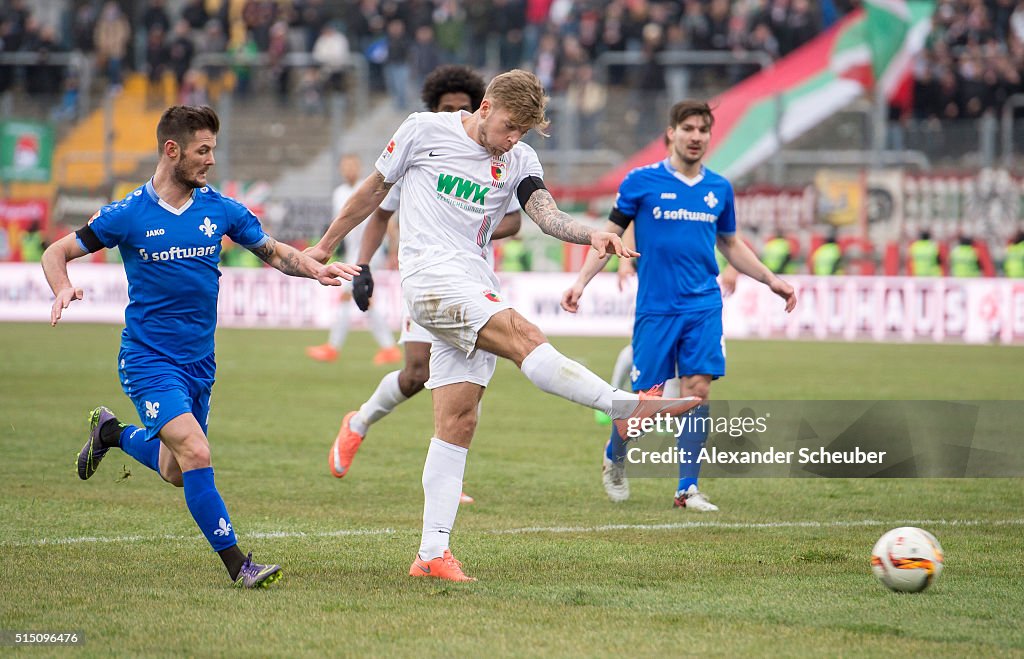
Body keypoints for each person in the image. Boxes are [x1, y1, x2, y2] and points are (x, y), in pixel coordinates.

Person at [307, 70, 701, 582]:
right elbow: (373, 191)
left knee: (458, 421)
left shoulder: (518, 158)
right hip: (429, 281)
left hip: (475, 282)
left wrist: (591, 234)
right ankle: (621, 406)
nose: (513, 139)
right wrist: (326, 244)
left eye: (524, 132)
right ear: (486, 107)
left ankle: (431, 554)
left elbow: (545, 214)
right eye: (510, 126)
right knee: (524, 337)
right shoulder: (423, 130)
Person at [41, 105, 358, 589]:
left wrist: (314, 268)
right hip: (148, 360)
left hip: (199, 364)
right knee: (195, 452)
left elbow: (273, 252)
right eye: (203, 150)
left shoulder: (220, 208)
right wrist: (62, 286)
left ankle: (111, 433)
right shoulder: (128, 214)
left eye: (213, 149)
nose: (211, 160)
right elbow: (55, 251)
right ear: (173, 150)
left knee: (173, 469)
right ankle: (240, 566)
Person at [562, 100, 797, 511]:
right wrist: (581, 282)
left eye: (703, 130)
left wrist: (771, 280)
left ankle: (687, 489)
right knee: (646, 404)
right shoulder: (640, 182)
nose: (696, 137)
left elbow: (730, 243)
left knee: (697, 392)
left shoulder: (719, 188)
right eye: (687, 128)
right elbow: (609, 237)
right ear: (670, 132)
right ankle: (614, 458)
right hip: (656, 308)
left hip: (703, 305)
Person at [326, 67, 522, 510]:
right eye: (447, 108)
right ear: (436, 111)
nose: (455, 113)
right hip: (427, 280)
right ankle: (358, 422)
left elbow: (514, 218)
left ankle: (448, 477)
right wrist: (362, 265)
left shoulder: (498, 159)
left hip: (471, 283)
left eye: (462, 107)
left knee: (464, 383)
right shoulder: (422, 147)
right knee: (417, 373)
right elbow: (379, 209)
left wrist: (475, 223)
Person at [306, 153, 401, 364]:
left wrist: (393, 250)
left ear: (358, 168)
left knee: (352, 297)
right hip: (351, 253)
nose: (349, 170)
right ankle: (386, 347)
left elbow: (385, 220)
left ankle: (337, 347)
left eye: (352, 166)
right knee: (361, 298)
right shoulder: (339, 193)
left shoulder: (366, 188)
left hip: (369, 253)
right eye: (345, 166)